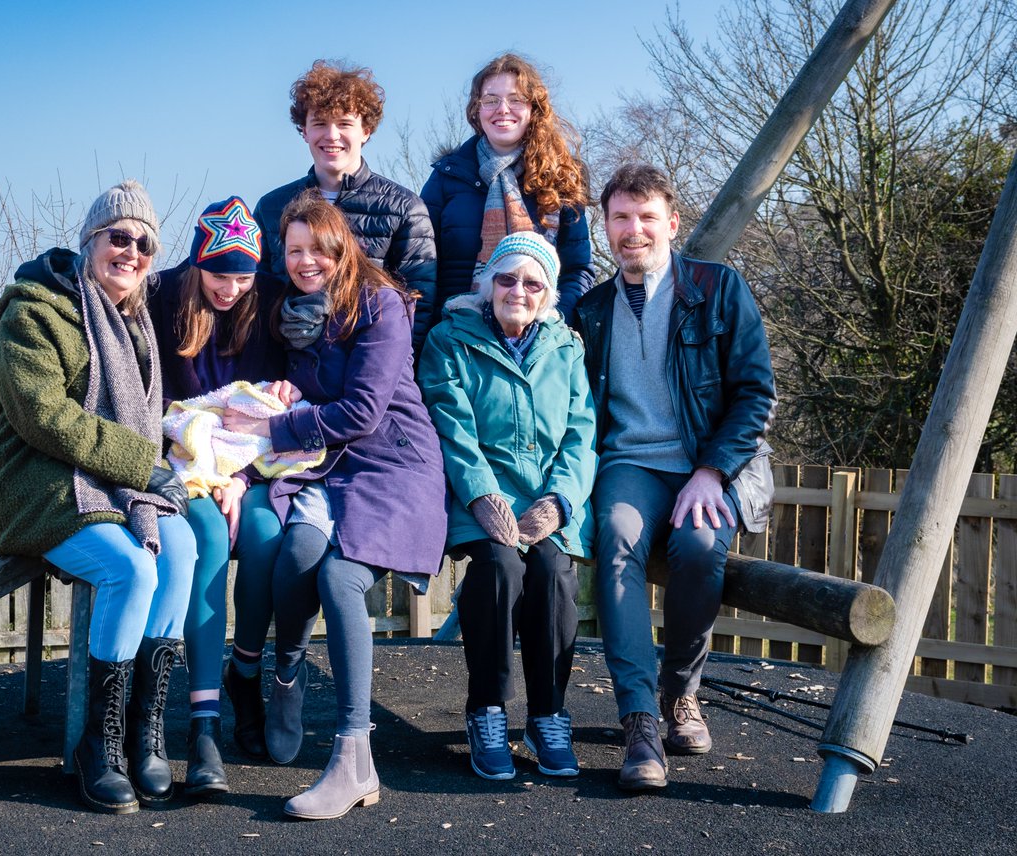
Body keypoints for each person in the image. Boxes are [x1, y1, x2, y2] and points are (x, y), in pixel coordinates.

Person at [223, 191, 448, 820]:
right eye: (292, 250)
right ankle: (288, 674)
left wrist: (273, 427)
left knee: (339, 577)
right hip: (324, 463)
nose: (304, 260)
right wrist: (280, 392)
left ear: (340, 244)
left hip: (392, 464)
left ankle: (355, 758)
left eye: (315, 247)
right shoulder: (288, 312)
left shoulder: (380, 304)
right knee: (296, 547)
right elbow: (286, 391)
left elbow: (363, 411)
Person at [0, 180, 196, 814]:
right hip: (36, 480)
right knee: (131, 567)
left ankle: (144, 732)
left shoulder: (138, 322)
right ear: (90, 243)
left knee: (180, 549)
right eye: (119, 238)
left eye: (144, 244)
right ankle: (97, 746)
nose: (131, 252)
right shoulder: (34, 311)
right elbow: (43, 415)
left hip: (108, 480)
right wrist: (142, 464)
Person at [572, 163, 776, 791]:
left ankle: (681, 692)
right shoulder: (591, 310)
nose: (634, 230)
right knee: (615, 540)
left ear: (671, 223)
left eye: (646, 217)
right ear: (606, 227)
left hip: (707, 462)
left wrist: (713, 472)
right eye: (621, 218)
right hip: (629, 464)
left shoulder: (718, 290)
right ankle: (638, 721)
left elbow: (754, 393)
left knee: (696, 546)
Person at [419, 231, 597, 781]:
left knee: (553, 574)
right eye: (507, 278)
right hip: (481, 496)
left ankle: (547, 715)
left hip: (546, 499)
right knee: (500, 568)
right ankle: (488, 710)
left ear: (547, 294)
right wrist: (481, 492)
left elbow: (581, 433)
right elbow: (451, 427)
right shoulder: (449, 340)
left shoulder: (566, 348)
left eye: (532, 282)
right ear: (488, 283)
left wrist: (561, 502)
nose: (517, 290)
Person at [147, 197, 288, 796]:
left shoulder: (267, 307)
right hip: (180, 461)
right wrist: (203, 467)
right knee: (206, 540)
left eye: (242, 275)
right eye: (219, 274)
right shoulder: (162, 302)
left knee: (264, 537)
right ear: (197, 263)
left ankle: (245, 674)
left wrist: (242, 476)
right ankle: (203, 728)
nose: (230, 288)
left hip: (250, 465)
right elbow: (153, 405)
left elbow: (275, 402)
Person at [252, 59, 438, 349]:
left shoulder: (404, 208)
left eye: (344, 124)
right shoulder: (271, 208)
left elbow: (418, 307)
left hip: (369, 372)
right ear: (304, 131)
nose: (332, 135)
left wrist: (387, 372)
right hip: (288, 374)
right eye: (320, 123)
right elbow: (259, 297)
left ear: (366, 131)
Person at [421, 52, 594, 326]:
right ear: (476, 111)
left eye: (516, 100)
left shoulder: (562, 177)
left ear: (534, 108)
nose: (503, 109)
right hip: (456, 338)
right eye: (491, 100)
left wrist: (555, 323)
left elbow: (578, 269)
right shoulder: (446, 177)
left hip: (538, 340)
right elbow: (423, 270)